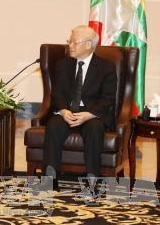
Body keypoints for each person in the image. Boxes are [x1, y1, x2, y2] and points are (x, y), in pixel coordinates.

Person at [43, 25, 117, 192]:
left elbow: (108, 98)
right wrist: (63, 110)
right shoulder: (63, 65)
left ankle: (92, 177)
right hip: (68, 112)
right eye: (69, 41)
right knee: (54, 124)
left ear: (89, 45)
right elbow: (57, 93)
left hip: (92, 114)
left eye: (74, 42)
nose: (70, 45)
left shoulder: (106, 67)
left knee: (95, 128)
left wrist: (89, 114)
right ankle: (50, 175)